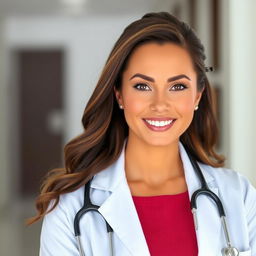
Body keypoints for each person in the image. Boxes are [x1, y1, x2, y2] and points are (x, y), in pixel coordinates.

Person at [28, 12, 256, 256]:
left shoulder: (238, 195)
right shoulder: (68, 209)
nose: (160, 104)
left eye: (177, 86)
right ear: (119, 95)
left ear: (197, 96)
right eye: (142, 86)